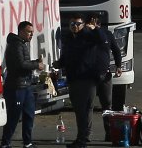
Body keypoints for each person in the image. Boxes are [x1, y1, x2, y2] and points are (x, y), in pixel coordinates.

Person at [53, 13, 121, 148]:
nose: (74, 26)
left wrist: (95, 28)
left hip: (87, 78)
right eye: (72, 24)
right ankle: (84, 137)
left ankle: (84, 139)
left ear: (83, 25)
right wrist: (59, 64)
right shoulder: (69, 38)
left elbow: (103, 41)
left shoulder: (89, 35)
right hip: (73, 78)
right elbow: (67, 55)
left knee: (89, 108)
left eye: (78, 24)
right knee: (80, 110)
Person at [1, 21, 44, 148]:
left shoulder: (22, 44)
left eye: (32, 32)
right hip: (16, 87)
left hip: (26, 86)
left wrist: (35, 62)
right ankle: (5, 143)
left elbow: (24, 62)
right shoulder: (16, 45)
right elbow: (21, 64)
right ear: (21, 32)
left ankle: (28, 142)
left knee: (29, 115)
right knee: (14, 117)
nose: (31, 35)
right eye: (28, 32)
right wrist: (37, 65)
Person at [88, 13, 123, 142]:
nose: (93, 25)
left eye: (95, 23)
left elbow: (116, 50)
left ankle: (109, 133)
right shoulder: (86, 35)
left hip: (105, 74)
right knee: (88, 105)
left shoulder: (106, 34)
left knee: (107, 105)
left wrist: (118, 65)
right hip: (89, 76)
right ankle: (86, 134)